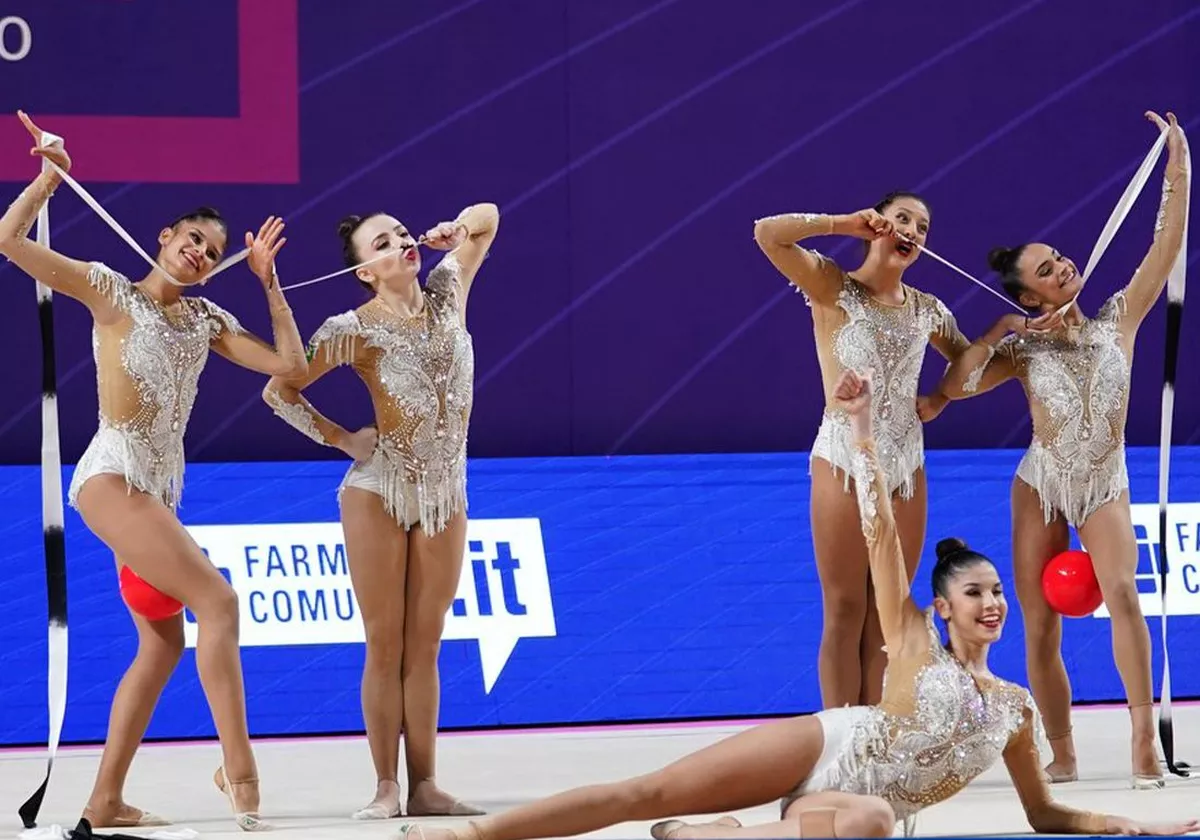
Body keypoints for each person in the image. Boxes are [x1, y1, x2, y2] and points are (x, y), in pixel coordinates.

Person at [391, 368, 1197, 840]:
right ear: (943, 608)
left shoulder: (1014, 709)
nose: (992, 603)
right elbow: (882, 536)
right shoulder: (914, 636)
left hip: (848, 810)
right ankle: (476, 836)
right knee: (645, 793)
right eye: (975, 593)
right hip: (828, 741)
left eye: (996, 594)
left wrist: (1136, 827)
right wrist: (863, 435)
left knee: (875, 824)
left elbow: (1045, 815)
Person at [0, 112, 309, 832]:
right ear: (166, 239)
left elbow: (291, 369)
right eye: (193, 239)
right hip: (112, 480)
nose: (203, 252)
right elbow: (8, 242)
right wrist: (50, 177)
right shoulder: (112, 292)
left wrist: (268, 284)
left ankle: (104, 801)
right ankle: (242, 777)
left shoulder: (205, 320)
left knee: (162, 643)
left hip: (160, 497)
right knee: (221, 604)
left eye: (216, 250)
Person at [935, 111, 1190, 788]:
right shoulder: (1023, 349)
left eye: (1060, 258)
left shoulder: (1118, 319)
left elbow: (1165, 247)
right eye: (1048, 271)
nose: (1063, 267)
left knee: (1124, 597)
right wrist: (997, 328)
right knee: (1040, 626)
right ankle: (1065, 752)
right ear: (1029, 294)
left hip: (1104, 481)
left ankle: (1143, 744)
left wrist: (1178, 170)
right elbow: (957, 388)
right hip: (1042, 483)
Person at [262, 202, 499, 819]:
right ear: (366, 271)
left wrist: (458, 227)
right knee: (384, 643)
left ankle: (424, 785)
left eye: (401, 232)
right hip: (379, 490)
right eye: (382, 242)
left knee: (425, 648)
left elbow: (491, 217)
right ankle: (385, 786)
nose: (400, 242)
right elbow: (279, 387)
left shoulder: (449, 288)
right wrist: (342, 438)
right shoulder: (351, 326)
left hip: (446, 491)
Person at [753, 193, 970, 707]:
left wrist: (942, 395)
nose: (913, 231)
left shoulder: (927, 310)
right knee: (846, 607)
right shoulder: (833, 287)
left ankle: (874, 738)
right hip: (843, 460)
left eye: (922, 226)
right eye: (902, 219)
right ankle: (838, 742)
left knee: (886, 614)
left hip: (906, 466)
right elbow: (768, 231)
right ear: (879, 225)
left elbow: (973, 365)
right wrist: (843, 223)